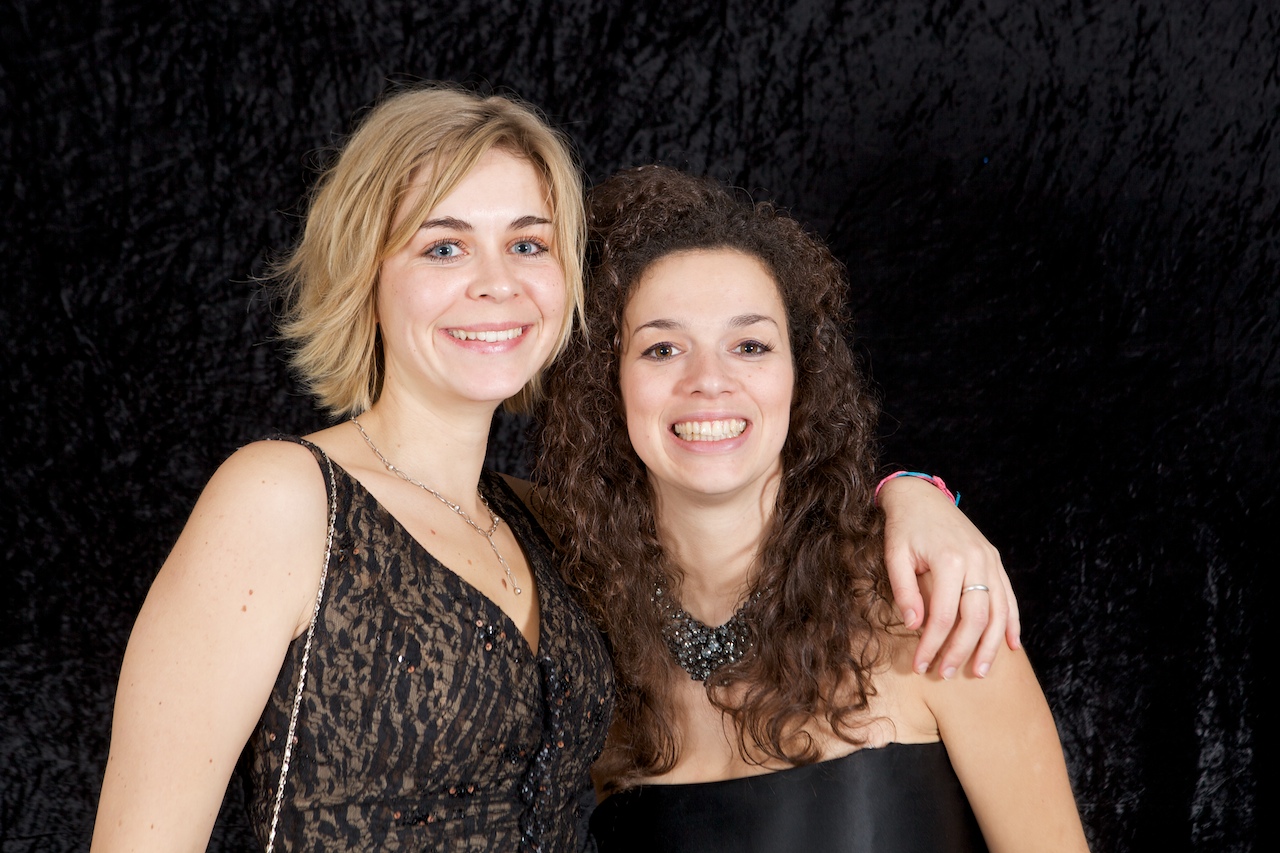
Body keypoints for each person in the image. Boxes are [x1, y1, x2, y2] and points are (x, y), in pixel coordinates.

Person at [92, 85, 1019, 852]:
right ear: (366, 275)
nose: (496, 282)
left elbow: (729, 498)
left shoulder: (550, 532)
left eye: (528, 244)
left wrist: (914, 497)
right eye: (444, 245)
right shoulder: (283, 498)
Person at [536, 166, 1089, 852]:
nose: (709, 381)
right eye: (663, 348)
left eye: (750, 345)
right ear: (607, 386)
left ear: (800, 378)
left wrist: (914, 490)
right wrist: (912, 487)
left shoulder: (927, 609)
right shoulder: (591, 657)